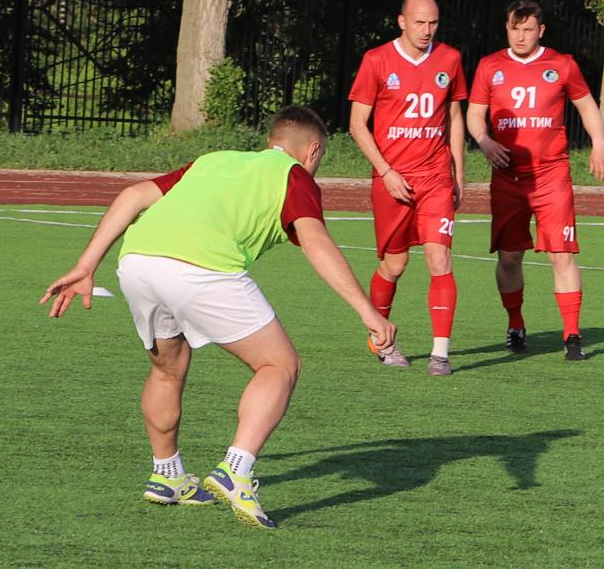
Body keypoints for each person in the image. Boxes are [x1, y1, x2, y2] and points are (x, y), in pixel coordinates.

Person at [42, 107, 395, 531]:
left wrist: (86, 265)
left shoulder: (214, 159)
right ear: (313, 150)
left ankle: (167, 475)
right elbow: (316, 243)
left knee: (167, 369)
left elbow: (134, 195)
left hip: (137, 261)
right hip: (200, 268)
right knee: (279, 364)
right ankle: (236, 470)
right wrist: (367, 311)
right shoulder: (295, 176)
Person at [467, 1, 604, 362]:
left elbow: (586, 104)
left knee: (562, 254)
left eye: (528, 29)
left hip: (551, 175)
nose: (520, 36)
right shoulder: (490, 66)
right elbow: (474, 114)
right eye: (514, 29)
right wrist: (484, 141)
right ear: (507, 28)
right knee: (510, 257)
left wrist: (598, 143)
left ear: (541, 31)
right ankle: (516, 324)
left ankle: (572, 335)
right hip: (508, 178)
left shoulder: (562, 65)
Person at [347, 0, 468, 375]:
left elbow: (454, 117)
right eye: (419, 22)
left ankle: (440, 354)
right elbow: (357, 124)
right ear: (402, 22)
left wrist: (459, 173)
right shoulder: (377, 60)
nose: (426, 30)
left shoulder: (450, 59)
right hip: (393, 180)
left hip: (435, 176)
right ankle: (381, 340)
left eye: (433, 23)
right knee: (394, 264)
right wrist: (386, 171)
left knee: (439, 257)